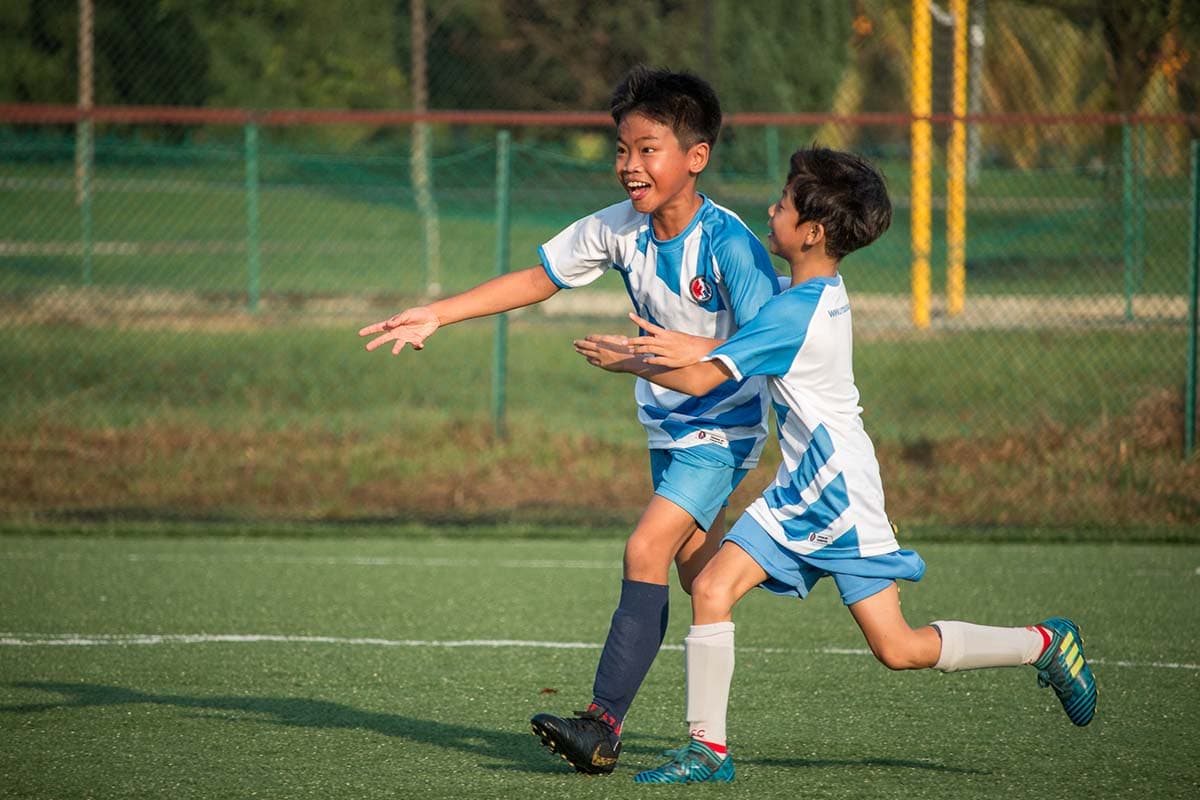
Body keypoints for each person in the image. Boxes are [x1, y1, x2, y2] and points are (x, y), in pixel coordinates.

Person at [572, 145, 1098, 784]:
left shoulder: (795, 311)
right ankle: (708, 751)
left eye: (785, 203)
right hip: (806, 483)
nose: (772, 210)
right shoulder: (814, 294)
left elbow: (706, 376)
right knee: (714, 589)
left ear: (813, 232)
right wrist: (679, 351)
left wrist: (628, 360)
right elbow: (730, 353)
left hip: (835, 492)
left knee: (896, 648)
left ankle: (1040, 645)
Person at [359, 65, 781, 775]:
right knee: (698, 575)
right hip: (669, 430)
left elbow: (776, 342)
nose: (629, 165)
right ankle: (815, 551)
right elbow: (538, 277)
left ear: (695, 157)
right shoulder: (623, 230)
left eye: (648, 149)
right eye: (622, 149)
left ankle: (601, 724)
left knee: (643, 550)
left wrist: (679, 355)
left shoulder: (730, 244)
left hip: (726, 428)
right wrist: (440, 311)